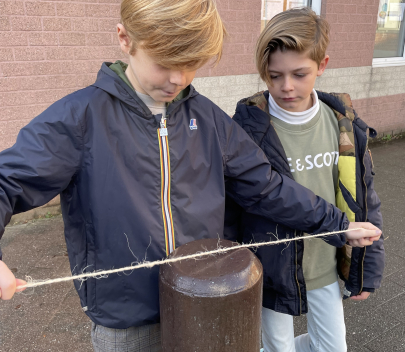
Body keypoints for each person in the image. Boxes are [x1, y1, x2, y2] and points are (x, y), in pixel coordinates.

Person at [0, 1, 380, 351]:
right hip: (128, 319)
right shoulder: (79, 118)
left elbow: (266, 187)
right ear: (125, 39)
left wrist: (336, 223)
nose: (178, 78)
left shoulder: (210, 119)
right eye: (164, 62)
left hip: (209, 298)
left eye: (191, 64)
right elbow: (8, 180)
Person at [224, 7, 384, 352]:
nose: (286, 86)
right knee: (277, 347)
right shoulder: (247, 129)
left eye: (300, 73)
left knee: (332, 347)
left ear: (322, 65)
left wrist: (366, 269)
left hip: (324, 262)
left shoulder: (343, 124)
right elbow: (234, 204)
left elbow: (366, 197)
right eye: (274, 75)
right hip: (271, 268)